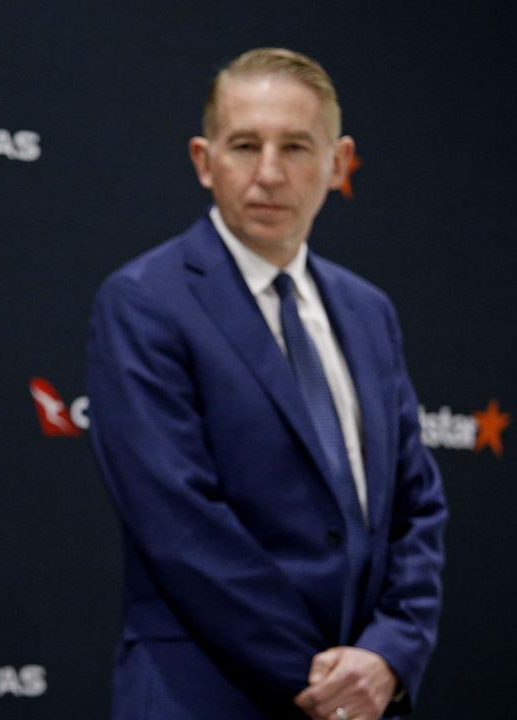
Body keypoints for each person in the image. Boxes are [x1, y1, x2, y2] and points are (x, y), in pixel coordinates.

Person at [85, 48, 446, 720]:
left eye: (297, 147)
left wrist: (391, 652)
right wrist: (323, 679)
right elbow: (179, 523)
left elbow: (416, 504)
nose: (270, 174)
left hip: (365, 693)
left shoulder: (369, 311)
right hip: (205, 692)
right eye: (246, 145)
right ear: (203, 159)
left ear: (339, 163)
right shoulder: (143, 301)